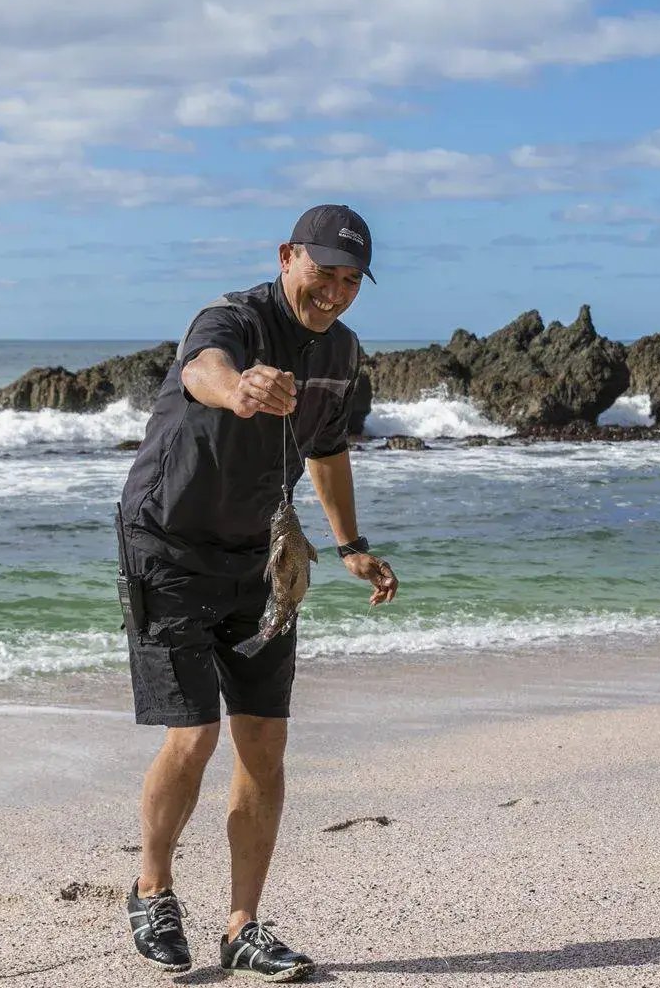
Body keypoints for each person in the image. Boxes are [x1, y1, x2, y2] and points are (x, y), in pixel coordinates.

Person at [114, 204, 399, 982]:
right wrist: (238, 388)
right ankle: (152, 887)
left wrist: (350, 546)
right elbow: (203, 369)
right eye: (323, 274)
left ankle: (241, 925)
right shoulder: (231, 318)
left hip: (260, 556)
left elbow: (329, 451)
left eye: (349, 281)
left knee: (264, 741)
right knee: (194, 734)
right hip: (167, 545)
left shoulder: (340, 352)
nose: (334, 293)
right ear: (286, 256)